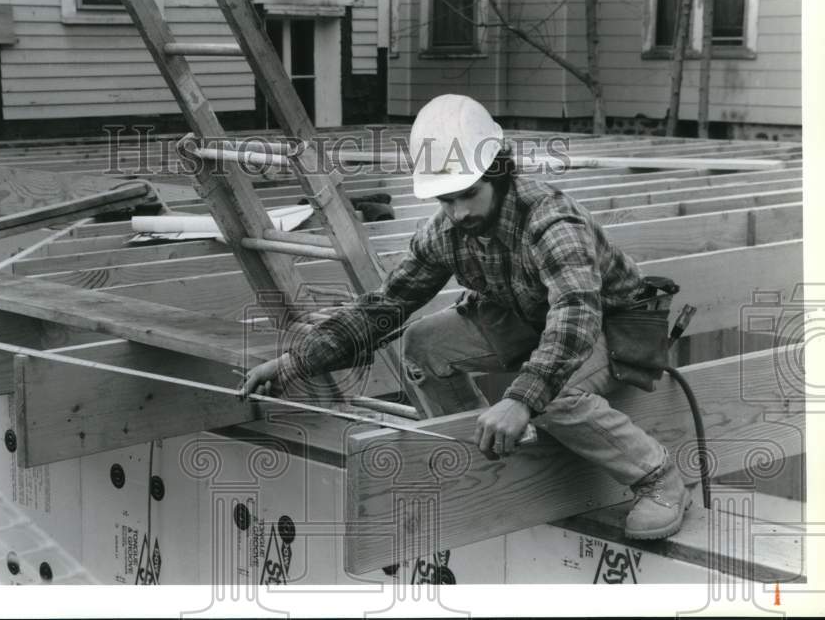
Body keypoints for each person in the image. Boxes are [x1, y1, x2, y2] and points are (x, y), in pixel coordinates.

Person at [240, 94, 690, 540]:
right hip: (526, 315)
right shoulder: (447, 229)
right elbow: (385, 306)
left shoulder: (552, 222)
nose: (459, 213)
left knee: (549, 393)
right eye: (445, 200)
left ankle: (657, 476)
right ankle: (489, 453)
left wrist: (521, 398)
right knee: (423, 344)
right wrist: (296, 363)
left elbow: (575, 316)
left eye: (468, 195)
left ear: (499, 172)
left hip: (609, 325)